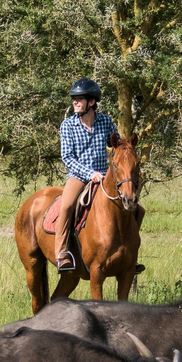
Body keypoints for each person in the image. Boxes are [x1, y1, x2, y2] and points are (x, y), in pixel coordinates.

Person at [56, 77, 116, 272]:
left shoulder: (105, 121)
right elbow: (67, 157)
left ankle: (130, 253)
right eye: (74, 99)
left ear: (91, 102)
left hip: (105, 177)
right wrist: (90, 174)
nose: (74, 102)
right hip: (78, 177)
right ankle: (62, 252)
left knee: (137, 209)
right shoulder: (68, 125)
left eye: (79, 99)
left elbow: (116, 145)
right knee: (66, 205)